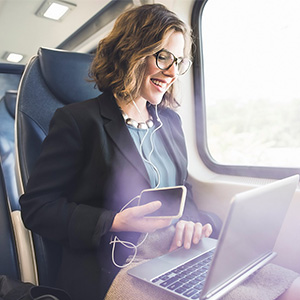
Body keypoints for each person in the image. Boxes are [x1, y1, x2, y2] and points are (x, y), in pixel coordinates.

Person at [19, 4, 300, 300]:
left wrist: (191, 223)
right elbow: (37, 208)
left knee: (292, 287)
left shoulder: (169, 122)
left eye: (178, 61)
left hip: (178, 253)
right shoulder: (77, 120)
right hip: (119, 262)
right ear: (130, 52)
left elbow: (184, 192)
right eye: (163, 56)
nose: (171, 72)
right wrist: (115, 221)